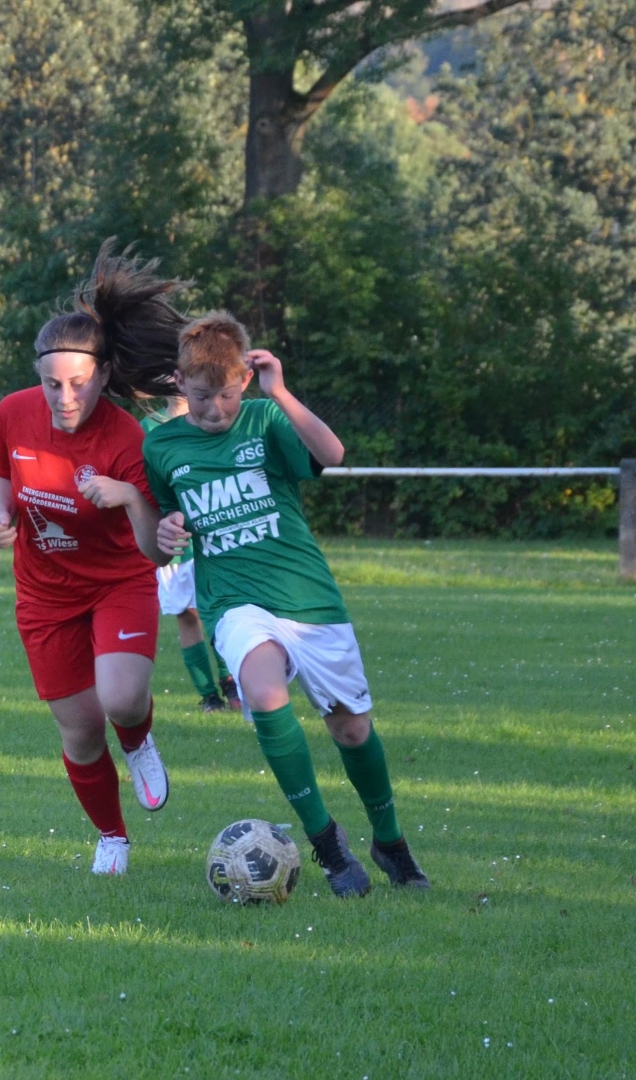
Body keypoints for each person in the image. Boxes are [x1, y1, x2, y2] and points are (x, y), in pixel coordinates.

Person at [142, 311, 429, 896]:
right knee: (265, 693)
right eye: (201, 397)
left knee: (351, 730)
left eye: (226, 395)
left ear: (244, 381)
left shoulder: (266, 417)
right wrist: (165, 530)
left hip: (307, 597)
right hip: (233, 601)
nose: (214, 410)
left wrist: (280, 391)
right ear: (179, 382)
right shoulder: (162, 444)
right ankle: (327, 844)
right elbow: (160, 531)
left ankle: (390, 841)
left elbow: (333, 453)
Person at [0, 240, 185, 876]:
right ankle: (112, 837)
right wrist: (0, 516)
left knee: (120, 701)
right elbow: (1, 475)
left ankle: (140, 740)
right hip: (44, 595)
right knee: (80, 730)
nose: (63, 397)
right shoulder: (13, 413)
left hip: (118, 581)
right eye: (51, 384)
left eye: (76, 383)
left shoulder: (126, 438)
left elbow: (152, 549)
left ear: (101, 374)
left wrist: (129, 496)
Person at [141, 397, 242, 714]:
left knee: (220, 611)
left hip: (211, 534)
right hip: (174, 541)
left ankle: (230, 679)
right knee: (187, 615)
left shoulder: (213, 419)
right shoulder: (148, 427)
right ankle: (208, 694)